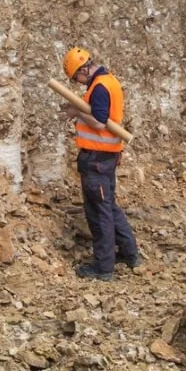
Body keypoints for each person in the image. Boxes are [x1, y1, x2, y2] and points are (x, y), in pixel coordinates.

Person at [60, 47, 140, 281]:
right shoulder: (109, 80)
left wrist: (76, 111)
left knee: (99, 211)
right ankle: (129, 253)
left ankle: (103, 267)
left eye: (77, 78)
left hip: (96, 158)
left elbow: (99, 122)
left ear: (84, 69)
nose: (78, 83)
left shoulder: (100, 87)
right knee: (109, 206)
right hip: (106, 156)